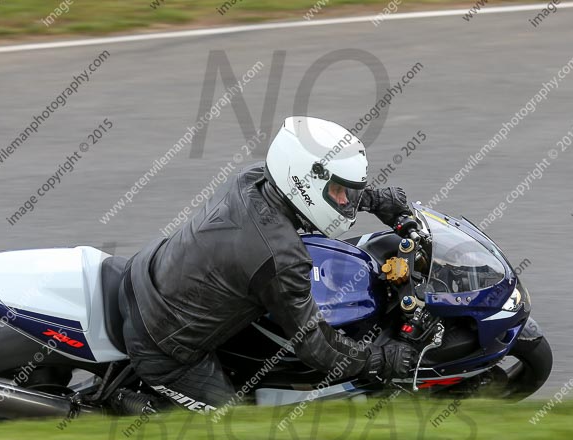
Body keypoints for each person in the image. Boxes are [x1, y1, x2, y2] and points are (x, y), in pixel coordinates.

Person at [115, 116, 416, 413]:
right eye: (339, 191)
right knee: (237, 432)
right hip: (163, 347)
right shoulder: (280, 256)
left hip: (146, 275)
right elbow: (316, 346)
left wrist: (374, 200)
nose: (344, 200)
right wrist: (379, 360)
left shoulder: (252, 179)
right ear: (303, 179)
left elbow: (311, 193)